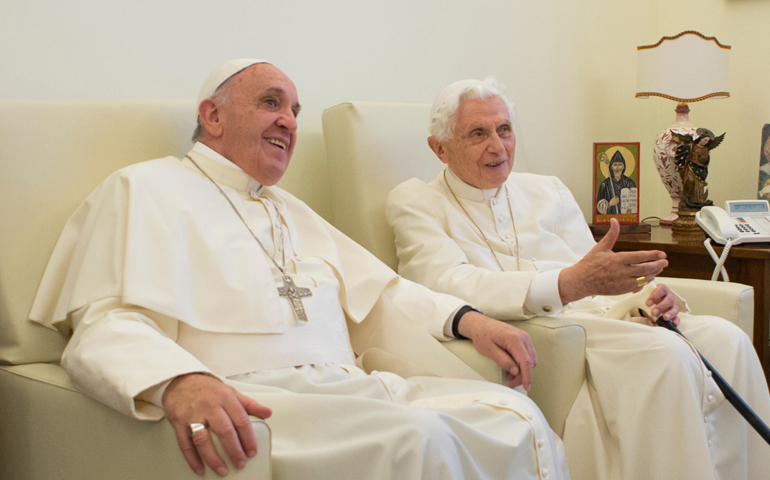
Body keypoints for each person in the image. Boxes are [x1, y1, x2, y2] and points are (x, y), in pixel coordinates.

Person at [29, 60, 571, 480]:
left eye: (294, 109)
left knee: (512, 415)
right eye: (271, 103)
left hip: (350, 390)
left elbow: (382, 293)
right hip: (260, 399)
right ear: (212, 116)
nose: (288, 120)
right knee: (418, 434)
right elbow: (103, 322)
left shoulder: (290, 208)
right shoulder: (142, 188)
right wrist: (177, 380)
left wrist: (466, 319)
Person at [386, 77, 770, 480]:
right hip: (550, 327)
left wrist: (649, 296)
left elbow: (595, 269)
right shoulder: (416, 202)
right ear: (439, 148)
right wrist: (566, 284)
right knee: (666, 355)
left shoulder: (547, 190)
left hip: (605, 313)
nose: (497, 147)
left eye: (504, 130)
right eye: (478, 134)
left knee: (730, 341)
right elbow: (446, 283)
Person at [596, 150, 636, 215]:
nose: (617, 168)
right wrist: (609, 204)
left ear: (623, 166)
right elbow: (599, 207)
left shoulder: (630, 183)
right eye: (615, 165)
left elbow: (633, 203)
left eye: (620, 165)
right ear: (611, 167)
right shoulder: (605, 184)